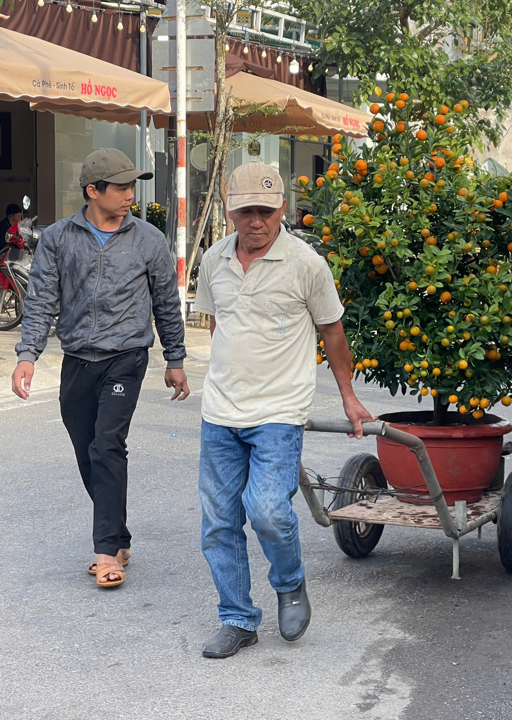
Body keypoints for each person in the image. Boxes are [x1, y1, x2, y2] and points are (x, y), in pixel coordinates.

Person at [193, 162, 372, 659]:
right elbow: (219, 324)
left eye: (266, 212)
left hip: (278, 413)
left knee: (268, 511)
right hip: (220, 413)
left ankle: (290, 583)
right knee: (218, 523)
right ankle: (237, 618)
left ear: (282, 211)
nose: (257, 222)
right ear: (231, 213)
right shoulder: (214, 260)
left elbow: (332, 331)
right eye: (247, 211)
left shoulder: (306, 264)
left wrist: (348, 397)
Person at [12, 148, 189, 589]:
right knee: (86, 448)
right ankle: (120, 534)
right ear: (94, 191)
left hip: (125, 358)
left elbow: (167, 303)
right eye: (122, 186)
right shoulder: (57, 238)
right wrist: (27, 356)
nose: (132, 194)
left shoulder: (148, 239)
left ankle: (106, 552)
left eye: (133, 185)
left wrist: (175, 358)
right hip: (77, 359)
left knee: (107, 445)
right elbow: (40, 301)